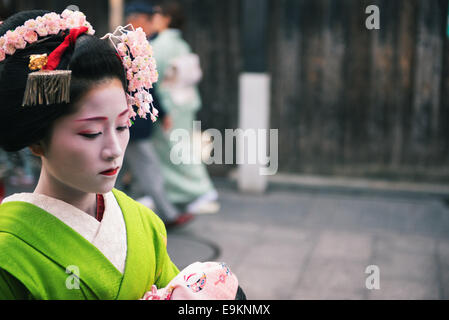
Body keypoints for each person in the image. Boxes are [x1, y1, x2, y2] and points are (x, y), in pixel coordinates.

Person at [0, 9, 180, 299]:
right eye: (91, 133)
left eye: (122, 125)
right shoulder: (8, 255)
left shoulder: (144, 223)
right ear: (37, 140)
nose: (114, 150)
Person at [122, 1, 194, 228]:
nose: (154, 24)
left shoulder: (135, 44)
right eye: (150, 19)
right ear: (138, 20)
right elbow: (146, 86)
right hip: (132, 120)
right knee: (148, 168)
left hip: (131, 120)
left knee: (135, 169)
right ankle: (169, 214)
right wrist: (162, 113)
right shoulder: (131, 46)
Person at [150, 1, 220, 214]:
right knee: (178, 148)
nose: (153, 19)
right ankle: (175, 193)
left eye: (156, 15)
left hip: (171, 104)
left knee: (176, 150)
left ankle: (202, 190)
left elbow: (156, 76)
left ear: (166, 18)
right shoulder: (180, 44)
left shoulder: (161, 45)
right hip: (184, 101)